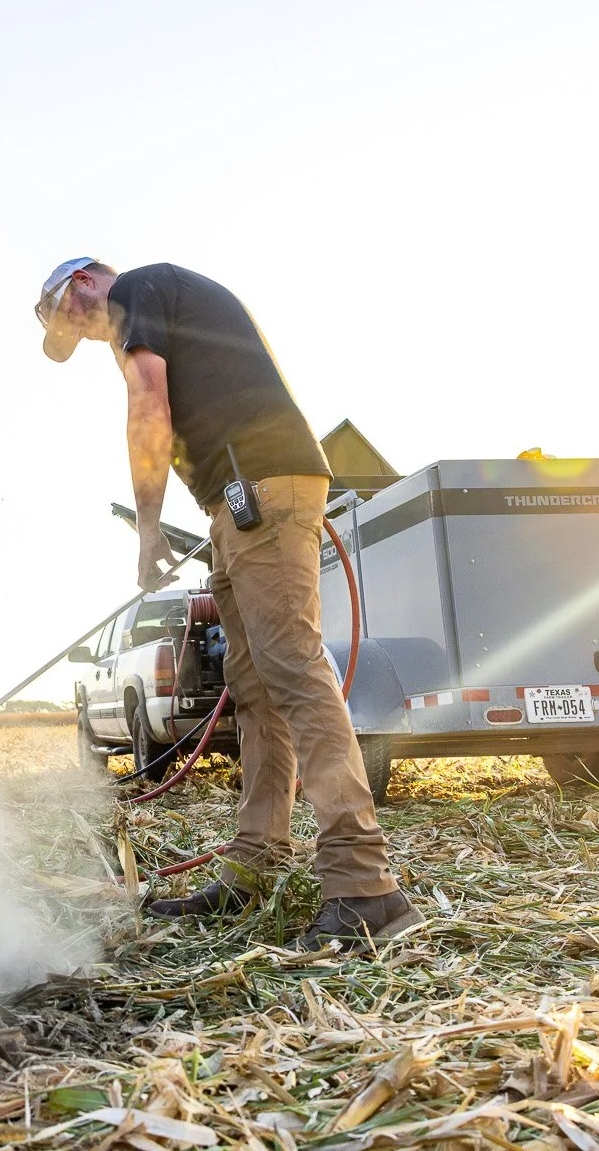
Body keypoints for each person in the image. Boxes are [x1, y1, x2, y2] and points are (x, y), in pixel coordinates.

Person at [35, 257, 421, 948]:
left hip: (261, 491)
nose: (84, 333)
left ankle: (366, 887)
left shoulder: (137, 291)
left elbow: (148, 404)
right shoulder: (161, 303)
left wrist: (148, 529)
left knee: (295, 672)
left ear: (86, 280)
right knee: (257, 688)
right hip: (242, 499)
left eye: (72, 316)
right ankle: (256, 865)